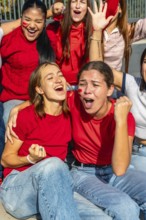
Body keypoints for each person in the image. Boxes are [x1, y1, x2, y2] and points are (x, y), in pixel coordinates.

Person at [0, 61, 112, 220]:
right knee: (54, 164)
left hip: (55, 186)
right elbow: (5, 159)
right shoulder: (26, 116)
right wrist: (30, 159)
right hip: (16, 190)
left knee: (101, 218)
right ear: (39, 89)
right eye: (50, 78)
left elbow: (92, 93)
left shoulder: (70, 112)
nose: (58, 79)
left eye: (60, 75)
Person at [0, 0, 55, 126]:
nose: (32, 25)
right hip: (15, 99)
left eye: (38, 21)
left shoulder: (51, 38)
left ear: (44, 23)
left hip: (44, 97)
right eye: (27, 19)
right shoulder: (9, 39)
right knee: (12, 120)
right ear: (20, 19)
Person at [102, 0, 146, 72]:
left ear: (120, 9)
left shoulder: (125, 31)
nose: (108, 7)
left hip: (113, 81)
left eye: (112, 4)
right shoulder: (91, 28)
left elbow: (143, 26)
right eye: (105, 2)